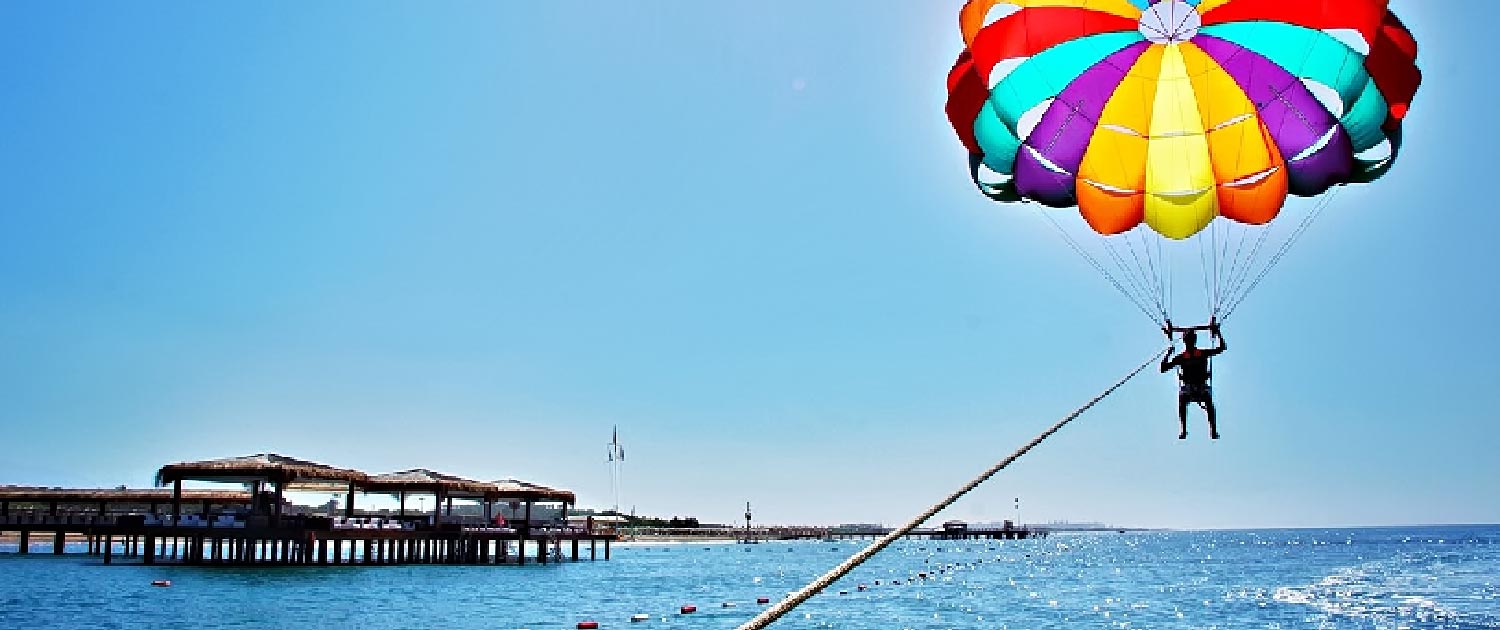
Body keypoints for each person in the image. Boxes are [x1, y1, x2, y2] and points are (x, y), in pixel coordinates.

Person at [1160, 322, 1227, 440]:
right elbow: (1163, 369)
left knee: (1205, 401)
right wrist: (1218, 333)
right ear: (1186, 341)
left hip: (1199, 387)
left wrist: (1169, 353)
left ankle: (1211, 430)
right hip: (1191, 388)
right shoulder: (1183, 357)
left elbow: (1221, 348)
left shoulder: (1198, 354)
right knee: (1188, 399)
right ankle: (1185, 429)